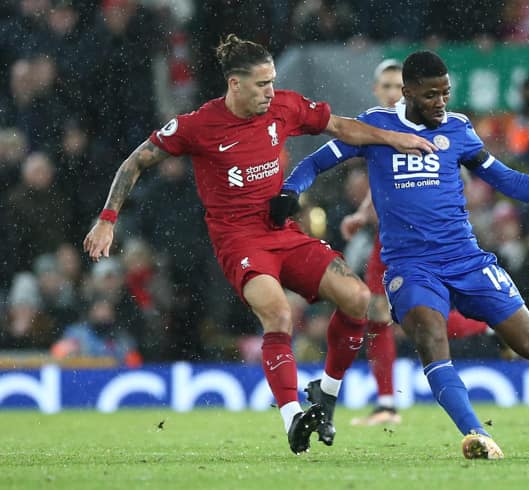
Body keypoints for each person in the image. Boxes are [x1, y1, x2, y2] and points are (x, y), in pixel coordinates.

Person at [82, 35, 435, 455]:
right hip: (239, 241)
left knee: (358, 298)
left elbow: (340, 126)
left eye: (272, 81)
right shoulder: (198, 125)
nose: (271, 91)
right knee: (278, 313)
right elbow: (136, 160)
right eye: (261, 84)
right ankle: (292, 417)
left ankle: (326, 392)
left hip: (284, 233)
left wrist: (396, 139)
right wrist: (107, 220)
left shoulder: (284, 106)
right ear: (235, 84)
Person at [273, 50, 529, 459]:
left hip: (466, 259)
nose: (440, 102)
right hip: (410, 267)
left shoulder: (457, 130)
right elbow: (316, 161)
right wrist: (288, 192)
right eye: (430, 95)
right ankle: (477, 434)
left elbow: (507, 180)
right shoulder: (375, 126)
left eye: (445, 93)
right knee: (431, 337)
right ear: (406, 93)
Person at [332, 59, 491, 428]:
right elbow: (387, 183)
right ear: (377, 91)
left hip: (427, 242)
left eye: (395, 86)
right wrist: (362, 213)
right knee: (378, 313)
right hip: (390, 240)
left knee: (405, 316)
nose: (391, 93)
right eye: (385, 87)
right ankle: (387, 402)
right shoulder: (377, 128)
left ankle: (489, 324)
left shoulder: (431, 128)